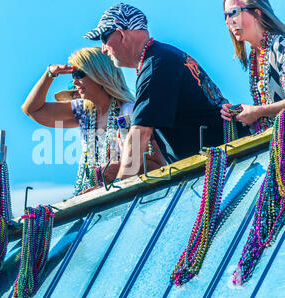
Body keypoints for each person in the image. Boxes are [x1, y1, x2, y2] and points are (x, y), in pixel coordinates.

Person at [84, 3, 250, 181]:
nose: (103, 48)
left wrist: (120, 188)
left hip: (230, 166)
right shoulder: (161, 56)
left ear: (121, 32)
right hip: (227, 161)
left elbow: (140, 134)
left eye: (104, 38)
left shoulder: (156, 64)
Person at [22, 47, 162, 195]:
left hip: (134, 197)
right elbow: (32, 110)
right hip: (98, 200)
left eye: (80, 74)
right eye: (73, 75)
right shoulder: (84, 112)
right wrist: (49, 74)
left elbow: (158, 165)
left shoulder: (128, 112)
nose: (75, 81)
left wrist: (118, 169)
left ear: (100, 74)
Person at [221, 0, 285, 132]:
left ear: (257, 13)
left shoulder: (280, 46)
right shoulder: (254, 57)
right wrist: (238, 113)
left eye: (234, 12)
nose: (228, 22)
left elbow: (262, 111)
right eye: (225, 16)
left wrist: (257, 112)